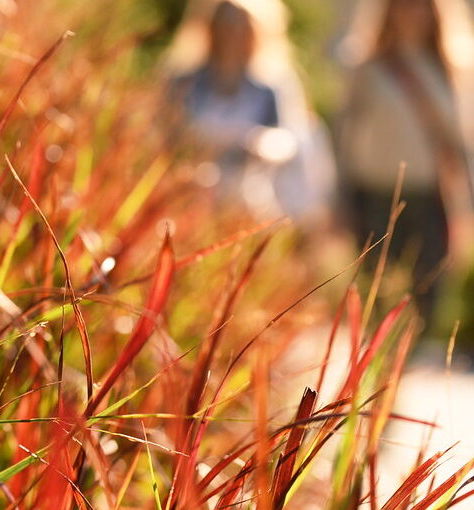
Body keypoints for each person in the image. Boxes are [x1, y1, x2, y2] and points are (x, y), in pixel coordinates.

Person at [337, 0, 474, 324]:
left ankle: (408, 364)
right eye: (404, 5)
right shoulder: (366, 68)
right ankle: (379, 371)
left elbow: (460, 140)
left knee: (426, 294)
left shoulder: (452, 66)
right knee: (377, 297)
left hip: (429, 198)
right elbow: (345, 137)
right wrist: (339, 199)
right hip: (373, 197)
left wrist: (466, 201)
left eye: (420, 5)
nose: (412, 13)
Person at [165, 0, 336, 224]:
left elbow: (291, 140)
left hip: (251, 202)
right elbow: (166, 138)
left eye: (241, 25)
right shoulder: (185, 82)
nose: (232, 32)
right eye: (225, 23)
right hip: (192, 199)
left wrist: (257, 142)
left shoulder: (272, 85)